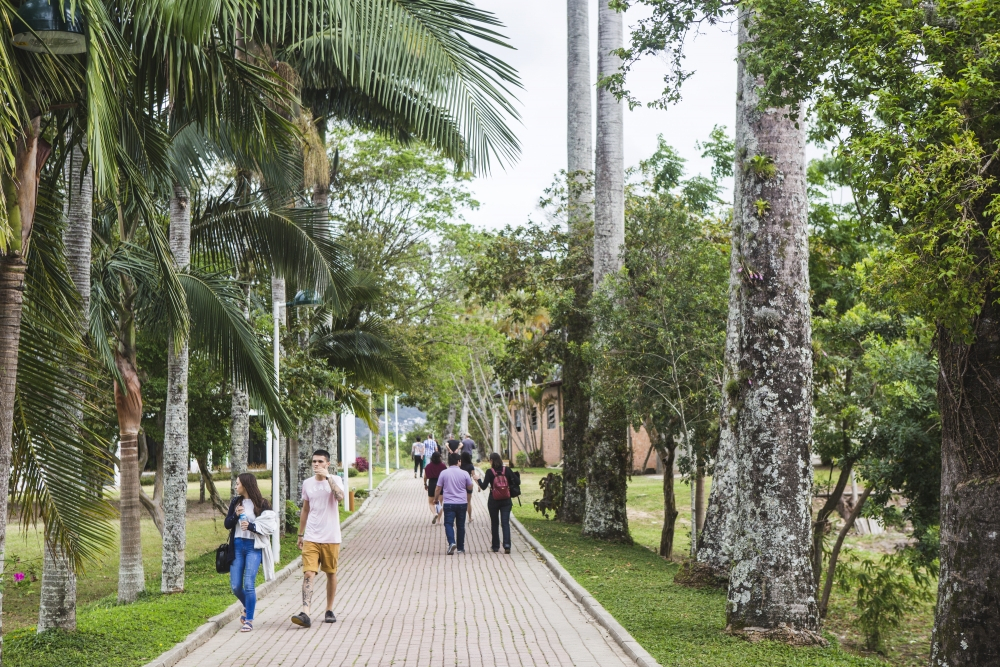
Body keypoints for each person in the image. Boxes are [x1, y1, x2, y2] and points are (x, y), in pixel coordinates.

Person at [291, 449, 345, 629]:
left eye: (320, 461)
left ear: (327, 464)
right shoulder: (307, 483)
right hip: (311, 536)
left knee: (331, 573)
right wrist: (301, 533)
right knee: (308, 572)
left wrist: (328, 478)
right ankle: (305, 612)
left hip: (331, 536)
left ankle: (329, 609)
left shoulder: (335, 480)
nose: (316, 464)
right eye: (314, 461)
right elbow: (305, 509)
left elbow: (340, 497)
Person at [224, 472, 279, 632]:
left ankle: (249, 620)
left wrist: (251, 526)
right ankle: (248, 606)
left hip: (253, 547)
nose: (236, 486)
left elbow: (269, 527)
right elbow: (227, 524)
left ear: (246, 485)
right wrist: (235, 515)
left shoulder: (262, 504)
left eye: (238, 483)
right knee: (235, 586)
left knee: (249, 584)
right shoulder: (236, 502)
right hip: (237, 545)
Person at [434, 452, 473, 554]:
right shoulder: (464, 473)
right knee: (460, 525)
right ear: (458, 461)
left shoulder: (444, 473)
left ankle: (452, 543)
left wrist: (436, 499)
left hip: (449, 503)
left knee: (448, 524)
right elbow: (470, 487)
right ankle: (460, 548)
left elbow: (438, 488)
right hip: (462, 503)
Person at [477, 453, 514, 554]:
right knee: (505, 522)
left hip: (493, 500)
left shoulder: (490, 472)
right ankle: (507, 545)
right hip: (506, 500)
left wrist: (478, 479)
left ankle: (495, 546)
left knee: (495, 523)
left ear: (492, 461)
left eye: (489, 460)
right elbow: (516, 481)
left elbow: (484, 486)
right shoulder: (507, 470)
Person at [423, 452, 447, 523]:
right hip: (440, 484)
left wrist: (425, 484)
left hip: (431, 483)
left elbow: (425, 477)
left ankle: (434, 513)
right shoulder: (443, 466)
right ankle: (439, 520)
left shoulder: (428, 466)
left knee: (431, 502)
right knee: (439, 503)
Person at [459, 451, 479, 524]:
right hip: (468, 485)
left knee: (460, 502)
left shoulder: (459, 466)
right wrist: (479, 485)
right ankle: (470, 518)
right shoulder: (471, 466)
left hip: (460, 485)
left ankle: (460, 518)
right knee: (468, 502)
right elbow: (474, 476)